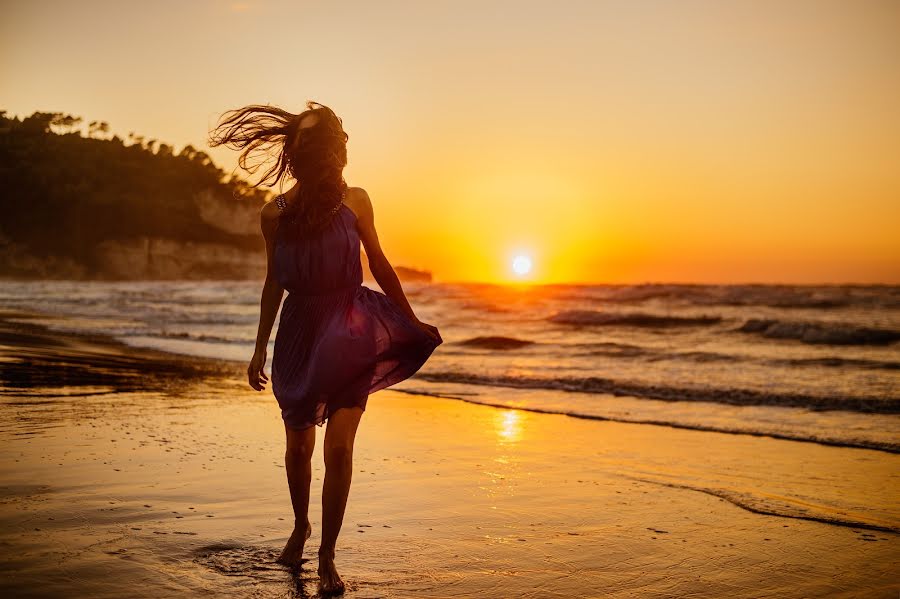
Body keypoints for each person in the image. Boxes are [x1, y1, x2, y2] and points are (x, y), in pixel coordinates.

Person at [209, 101, 442, 595]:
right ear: (299, 154)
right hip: (299, 333)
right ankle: (300, 527)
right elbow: (274, 282)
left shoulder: (356, 201)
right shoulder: (275, 214)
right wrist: (258, 351)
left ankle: (328, 555)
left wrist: (410, 318)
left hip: (352, 329)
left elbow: (378, 263)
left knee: (338, 448)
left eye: (331, 143)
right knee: (298, 446)